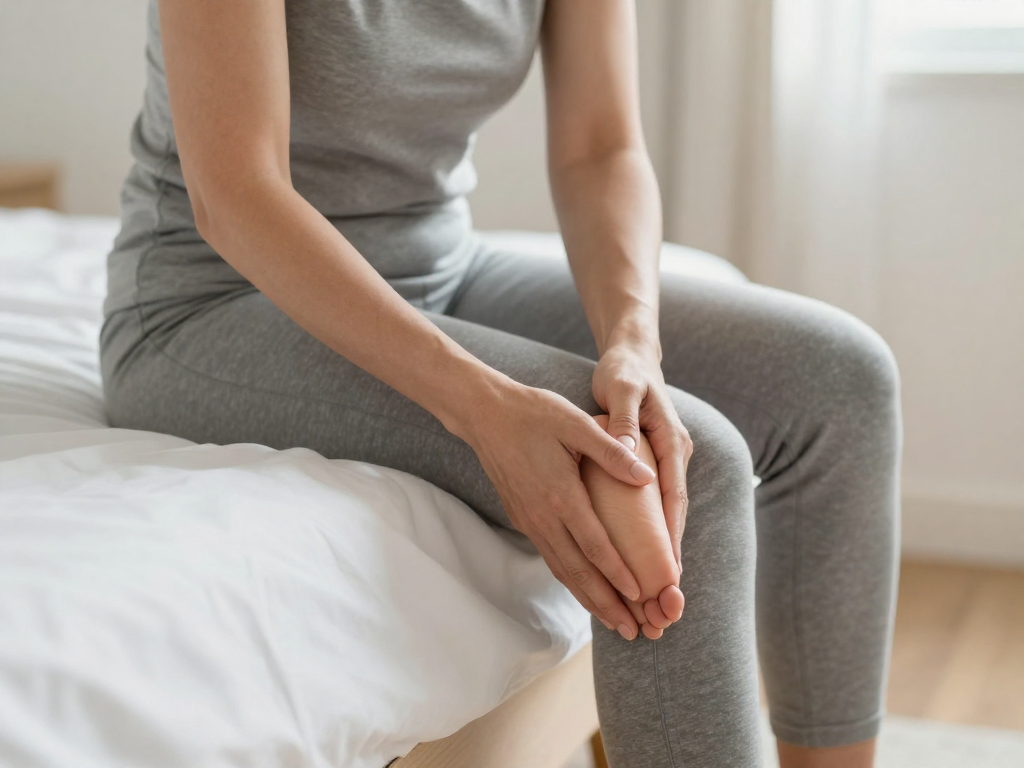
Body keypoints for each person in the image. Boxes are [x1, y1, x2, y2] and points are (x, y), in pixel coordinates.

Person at [99, 1, 902, 766]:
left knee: (840, 381)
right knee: (660, 473)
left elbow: (601, 148)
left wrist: (633, 339)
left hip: (437, 270)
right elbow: (235, 192)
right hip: (217, 305)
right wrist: (483, 405)